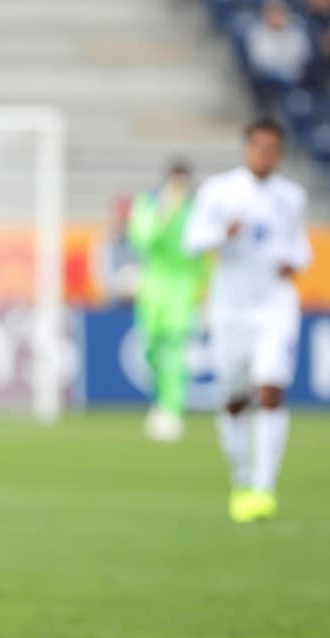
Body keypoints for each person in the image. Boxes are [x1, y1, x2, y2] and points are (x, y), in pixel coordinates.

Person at [183, 118, 313, 524]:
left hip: (275, 305)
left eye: (273, 149)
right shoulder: (220, 192)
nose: (266, 155)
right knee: (234, 400)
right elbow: (192, 241)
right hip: (230, 309)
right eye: (259, 147)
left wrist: (296, 262)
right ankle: (241, 478)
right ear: (246, 148)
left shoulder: (291, 197)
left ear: (281, 153)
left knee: (271, 389)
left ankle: (264, 486)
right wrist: (224, 232)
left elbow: (301, 248)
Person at [126, 161, 210, 442]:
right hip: (152, 287)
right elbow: (142, 239)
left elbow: (203, 254)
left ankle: (172, 410)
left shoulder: (196, 211)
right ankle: (160, 401)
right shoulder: (148, 205)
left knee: (174, 349)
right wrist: (164, 211)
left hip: (182, 288)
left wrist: (205, 292)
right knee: (149, 350)